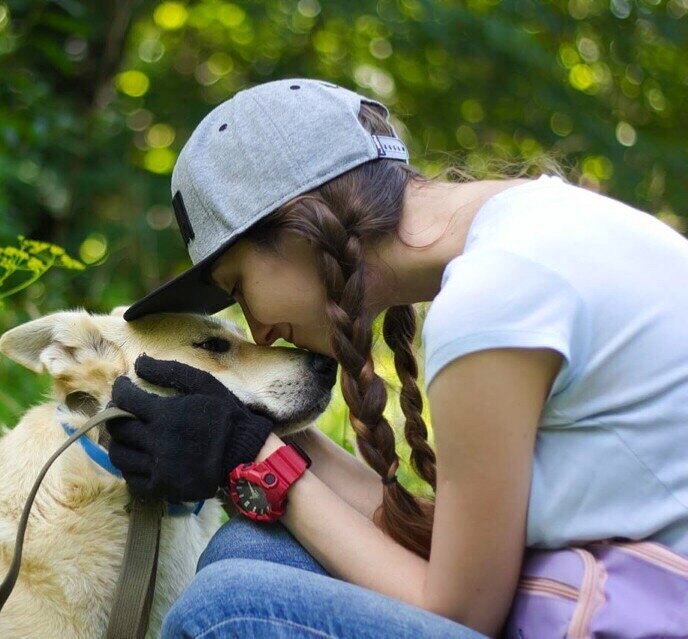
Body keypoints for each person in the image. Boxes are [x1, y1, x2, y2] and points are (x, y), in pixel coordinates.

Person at [104, 78, 688, 638]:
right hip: (617, 597)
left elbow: (456, 613)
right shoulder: (538, 227)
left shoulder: (498, 298)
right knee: (254, 551)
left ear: (299, 226)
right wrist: (247, 430)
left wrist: (256, 461)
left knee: (226, 610)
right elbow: (449, 541)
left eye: (239, 288)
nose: (259, 329)